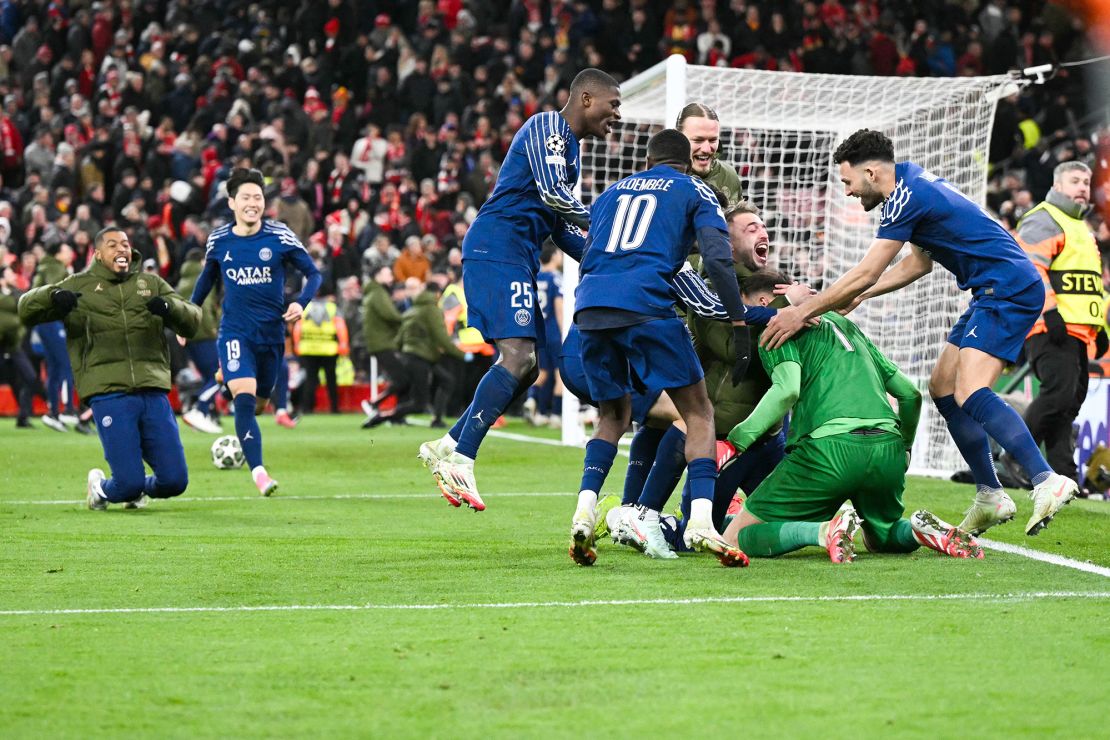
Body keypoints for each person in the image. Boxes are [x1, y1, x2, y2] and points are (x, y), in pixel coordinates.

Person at [761, 128, 1079, 537]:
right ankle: (989, 493)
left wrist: (800, 312)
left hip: (1009, 286)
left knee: (970, 391)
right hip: (990, 289)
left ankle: (1044, 479)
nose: (848, 192)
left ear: (871, 173)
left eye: (848, 182)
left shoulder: (905, 199)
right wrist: (861, 295)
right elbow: (917, 265)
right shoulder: (911, 182)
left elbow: (867, 269)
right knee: (943, 387)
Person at [419, 68, 623, 511]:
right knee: (519, 357)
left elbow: (560, 226)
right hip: (498, 248)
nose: (618, 115)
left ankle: (448, 443)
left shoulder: (571, 151)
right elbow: (553, 195)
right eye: (614, 105)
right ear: (587, 98)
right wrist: (611, 224)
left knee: (527, 367)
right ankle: (462, 457)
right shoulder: (548, 127)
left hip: (517, 255)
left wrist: (608, 258)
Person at [567, 128, 751, 567]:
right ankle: (702, 521)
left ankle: (585, 509)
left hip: (590, 308)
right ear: (686, 161)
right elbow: (718, 257)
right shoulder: (696, 190)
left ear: (648, 161)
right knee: (699, 412)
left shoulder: (611, 192)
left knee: (613, 416)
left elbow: (587, 247)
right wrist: (739, 322)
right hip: (647, 306)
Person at [720, 270, 983, 561]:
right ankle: (919, 530)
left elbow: (787, 391)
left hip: (827, 453)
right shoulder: (846, 325)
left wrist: (735, 441)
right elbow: (909, 394)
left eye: (743, 307)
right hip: (886, 448)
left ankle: (822, 531)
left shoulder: (775, 328)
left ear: (763, 301)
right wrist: (904, 448)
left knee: (736, 538)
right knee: (880, 538)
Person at [19, 227, 201, 509]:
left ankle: (140, 489)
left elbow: (192, 319)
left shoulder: (151, 284)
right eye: (113, 245)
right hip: (108, 391)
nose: (122, 249)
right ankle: (100, 489)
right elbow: (25, 309)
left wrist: (169, 308)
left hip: (152, 389)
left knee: (175, 482)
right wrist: (51, 297)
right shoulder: (79, 285)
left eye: (126, 244)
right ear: (98, 254)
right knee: (127, 484)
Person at [189, 167, 322, 496]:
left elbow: (314, 273)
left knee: (260, 403)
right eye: (246, 197)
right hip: (234, 333)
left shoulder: (280, 236)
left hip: (271, 336)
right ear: (232, 202)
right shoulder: (219, 240)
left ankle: (223, 390)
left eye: (258, 197)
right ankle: (259, 473)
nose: (253, 203)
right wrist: (188, 315)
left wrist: (301, 303)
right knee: (245, 402)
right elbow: (206, 281)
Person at [1015, 162, 1105, 488]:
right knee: (1057, 395)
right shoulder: (1045, 217)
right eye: (1075, 180)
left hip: (1078, 330)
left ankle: (1063, 476)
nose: (1082, 186)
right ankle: (1015, 457)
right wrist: (1049, 311)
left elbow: (1091, 284)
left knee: (1069, 404)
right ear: (1057, 183)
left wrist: (1101, 329)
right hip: (1051, 326)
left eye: (1086, 181)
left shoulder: (1081, 226)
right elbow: (1029, 269)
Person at [365, 282, 464, 432]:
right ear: (437, 294)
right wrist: (461, 354)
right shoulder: (432, 310)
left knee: (446, 380)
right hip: (421, 359)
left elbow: (399, 339)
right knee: (419, 404)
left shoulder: (412, 310)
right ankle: (381, 417)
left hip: (414, 356)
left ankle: (436, 419)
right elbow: (441, 336)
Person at [30, 241, 78, 431]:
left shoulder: (46, 267)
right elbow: (56, 293)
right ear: (58, 254)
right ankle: (67, 409)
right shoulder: (55, 268)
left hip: (44, 322)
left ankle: (53, 413)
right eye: (67, 249)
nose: (70, 252)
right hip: (51, 322)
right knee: (66, 364)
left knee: (55, 368)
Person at [176, 247, 223, 434]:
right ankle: (199, 409)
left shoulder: (182, 281)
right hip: (204, 334)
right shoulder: (203, 278)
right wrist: (214, 329)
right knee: (220, 375)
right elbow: (206, 307)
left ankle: (206, 415)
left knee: (208, 376)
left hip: (188, 336)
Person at [524, 244, 564, 427]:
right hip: (555, 332)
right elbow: (559, 308)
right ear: (555, 256)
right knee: (559, 375)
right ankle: (555, 414)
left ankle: (533, 403)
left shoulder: (535, 277)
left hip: (539, 331)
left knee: (543, 373)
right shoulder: (556, 279)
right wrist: (565, 333)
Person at [676, 102, 742, 209]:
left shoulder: (728, 174)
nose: (707, 149)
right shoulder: (663, 178)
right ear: (678, 138)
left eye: (712, 140)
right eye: (698, 140)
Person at [293, 294, 348, 414]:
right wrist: (343, 344)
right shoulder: (332, 308)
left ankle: (307, 408)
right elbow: (340, 326)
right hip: (329, 349)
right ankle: (334, 408)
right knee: (331, 380)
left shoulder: (305, 307)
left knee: (310, 380)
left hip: (308, 349)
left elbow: (298, 327)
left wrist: (297, 344)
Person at [1, 265, 41, 428]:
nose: (14, 276)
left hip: (13, 344)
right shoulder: (9, 296)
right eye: (10, 274)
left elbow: (24, 303)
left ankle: (23, 416)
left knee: (30, 377)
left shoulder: (16, 293)